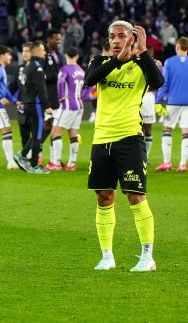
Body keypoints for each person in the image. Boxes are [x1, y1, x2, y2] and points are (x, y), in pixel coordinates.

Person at [85, 21, 164, 272]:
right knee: (104, 196)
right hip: (102, 140)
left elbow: (158, 81)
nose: (116, 40)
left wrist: (142, 52)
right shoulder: (99, 62)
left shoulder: (142, 64)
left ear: (131, 37)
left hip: (130, 138)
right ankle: (107, 256)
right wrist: (119, 58)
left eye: (121, 36)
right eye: (112, 36)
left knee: (135, 196)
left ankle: (147, 256)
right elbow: (90, 80)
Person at [13, 41, 53, 174]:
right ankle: (33, 164)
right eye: (42, 50)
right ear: (37, 52)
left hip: (27, 104)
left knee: (36, 134)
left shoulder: (26, 66)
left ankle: (24, 156)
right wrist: (47, 106)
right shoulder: (37, 67)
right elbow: (41, 89)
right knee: (38, 135)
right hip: (36, 105)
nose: (44, 53)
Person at [44, 47, 85, 171]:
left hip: (68, 105)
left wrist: (61, 97)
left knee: (55, 133)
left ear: (66, 55)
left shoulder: (64, 70)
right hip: (79, 104)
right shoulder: (81, 70)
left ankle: (55, 163)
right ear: (77, 56)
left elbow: (60, 83)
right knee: (73, 134)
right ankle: (71, 164)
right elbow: (87, 86)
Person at [155, 36, 188, 173]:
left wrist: (158, 100)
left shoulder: (169, 62)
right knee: (186, 133)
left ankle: (167, 163)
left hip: (173, 102)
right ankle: (182, 164)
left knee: (167, 129)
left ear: (177, 47)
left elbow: (164, 83)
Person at [42, 29, 65, 148]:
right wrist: (57, 76)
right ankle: (33, 151)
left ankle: (53, 159)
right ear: (50, 39)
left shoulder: (60, 56)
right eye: (57, 39)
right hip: (48, 96)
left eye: (60, 39)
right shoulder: (43, 53)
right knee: (49, 126)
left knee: (53, 126)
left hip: (59, 97)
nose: (59, 41)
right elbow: (40, 75)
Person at [9, 42, 33, 152]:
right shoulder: (19, 69)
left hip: (35, 105)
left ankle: (36, 157)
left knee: (36, 134)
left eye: (27, 51)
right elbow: (13, 86)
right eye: (24, 51)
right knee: (24, 133)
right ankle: (26, 157)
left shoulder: (38, 68)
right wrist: (6, 96)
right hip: (22, 106)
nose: (25, 54)